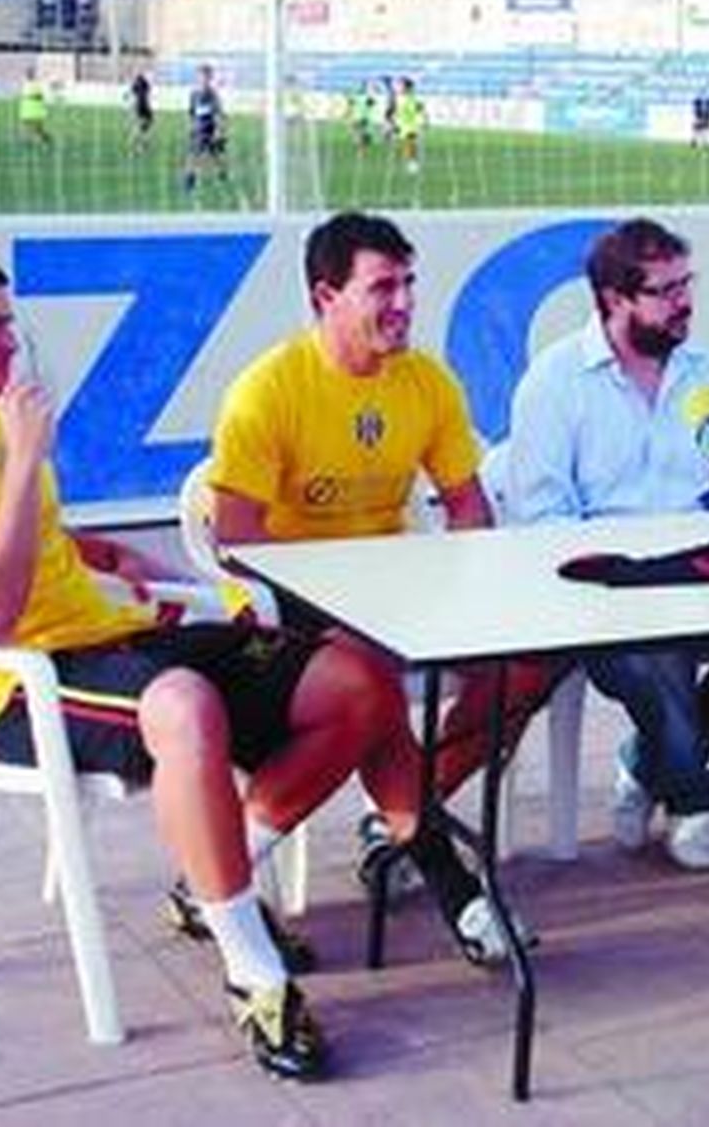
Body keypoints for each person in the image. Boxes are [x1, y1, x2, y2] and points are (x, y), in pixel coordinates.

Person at [0, 245, 507, 1082]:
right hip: (24, 683)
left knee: (358, 679)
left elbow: (16, 542)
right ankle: (255, 974)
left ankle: (222, 884)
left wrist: (97, 551)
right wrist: (22, 464)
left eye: (11, 322)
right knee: (186, 704)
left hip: (116, 641)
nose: (11, 344)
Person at [208, 211, 565, 895]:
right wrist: (330, 606)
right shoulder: (267, 390)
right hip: (293, 609)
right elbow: (237, 540)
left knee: (528, 659)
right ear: (324, 297)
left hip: (396, 598)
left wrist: (484, 595)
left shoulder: (427, 382)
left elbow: (466, 504)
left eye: (408, 283)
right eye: (381, 287)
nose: (402, 303)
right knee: (366, 678)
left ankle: (402, 813)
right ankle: (414, 854)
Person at [507, 217, 709, 871]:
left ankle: (646, 761)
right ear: (614, 299)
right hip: (607, 596)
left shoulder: (704, 372)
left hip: (706, 580)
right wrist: (631, 566)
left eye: (687, 283)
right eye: (665, 289)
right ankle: (691, 797)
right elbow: (539, 520)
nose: (685, 301)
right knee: (659, 654)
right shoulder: (554, 381)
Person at [184, 64, 229, 192]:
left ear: (210, 78)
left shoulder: (213, 95)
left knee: (215, 155)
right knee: (193, 155)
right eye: (201, 76)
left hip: (211, 128)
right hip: (198, 129)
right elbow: (191, 113)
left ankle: (222, 173)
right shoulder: (194, 94)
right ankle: (190, 180)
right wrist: (191, 126)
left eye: (206, 77)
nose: (203, 79)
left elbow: (219, 112)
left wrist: (220, 130)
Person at [392, 77, 426, 174]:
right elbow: (399, 111)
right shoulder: (399, 98)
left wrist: (422, 120)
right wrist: (395, 119)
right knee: (403, 145)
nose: (398, 87)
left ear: (406, 88)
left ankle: (413, 163)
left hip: (410, 126)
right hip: (401, 125)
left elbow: (418, 109)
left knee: (410, 144)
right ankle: (410, 161)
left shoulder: (410, 99)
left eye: (401, 85)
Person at [17, 68, 52, 148]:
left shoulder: (35, 84)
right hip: (29, 109)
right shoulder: (29, 83)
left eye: (30, 73)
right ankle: (40, 140)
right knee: (27, 126)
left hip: (34, 109)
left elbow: (39, 96)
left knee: (36, 128)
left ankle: (43, 140)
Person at [349, 80, 379, 153]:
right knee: (359, 133)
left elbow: (371, 103)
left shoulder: (365, 97)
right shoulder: (360, 96)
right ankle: (361, 147)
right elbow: (351, 102)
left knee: (362, 135)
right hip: (361, 118)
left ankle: (362, 146)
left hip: (363, 118)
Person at [128, 70, 153, 151]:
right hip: (144, 106)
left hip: (139, 107)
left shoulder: (136, 86)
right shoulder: (145, 85)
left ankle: (136, 141)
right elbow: (148, 90)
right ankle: (140, 143)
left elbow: (132, 93)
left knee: (140, 125)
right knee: (145, 126)